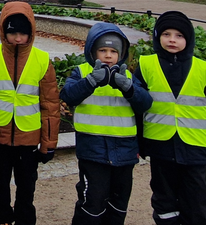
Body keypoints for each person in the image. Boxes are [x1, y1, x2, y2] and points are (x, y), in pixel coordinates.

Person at [135, 11, 206, 225]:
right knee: (163, 198)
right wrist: (139, 142)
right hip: (160, 145)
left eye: (179, 35)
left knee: (196, 198)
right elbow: (137, 107)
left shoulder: (203, 68)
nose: (172, 40)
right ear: (158, 37)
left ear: (188, 39)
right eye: (166, 34)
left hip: (195, 146)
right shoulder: (147, 65)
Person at [0, 1, 60, 225]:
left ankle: (24, 219)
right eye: (13, 32)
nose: (18, 38)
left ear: (30, 32)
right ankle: (3, 218)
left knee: (27, 187)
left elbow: (50, 104)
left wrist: (48, 144)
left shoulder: (42, 59)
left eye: (23, 33)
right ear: (4, 31)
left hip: (29, 137)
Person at [60, 23, 153, 224]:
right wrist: (91, 81)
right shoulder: (82, 71)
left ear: (121, 54)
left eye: (113, 51)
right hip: (93, 151)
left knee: (118, 205)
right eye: (102, 50)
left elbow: (145, 103)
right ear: (92, 52)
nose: (108, 55)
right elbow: (68, 95)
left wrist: (128, 88)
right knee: (92, 204)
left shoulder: (128, 75)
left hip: (124, 152)